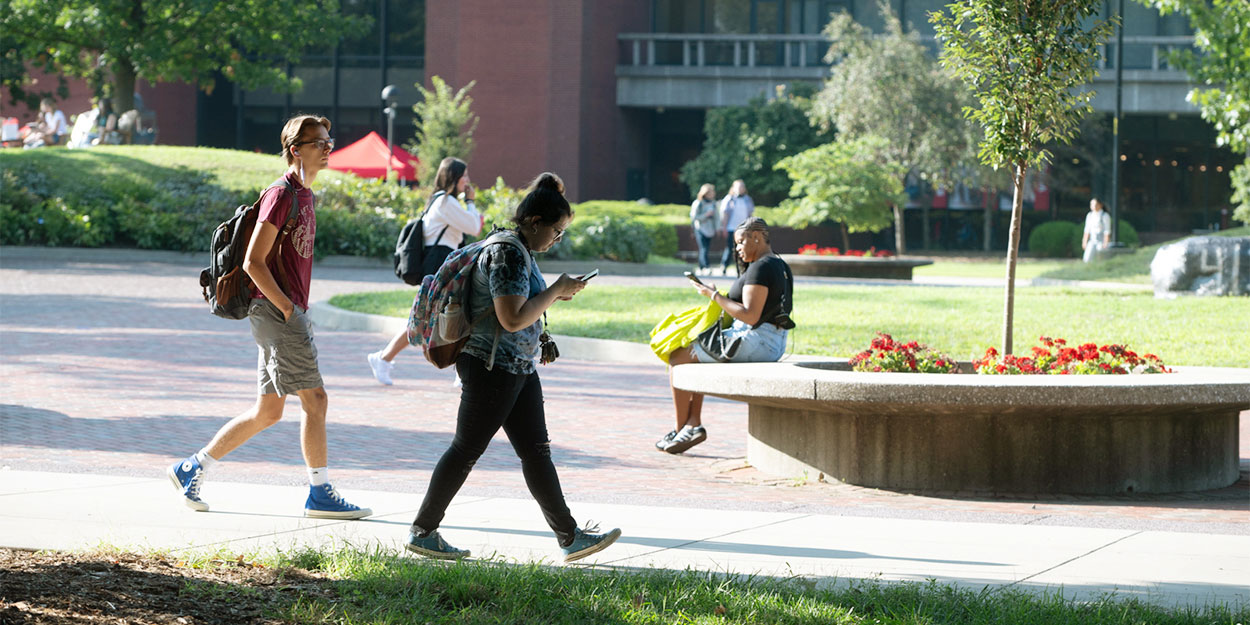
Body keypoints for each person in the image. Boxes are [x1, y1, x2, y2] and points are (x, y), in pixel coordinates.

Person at [404, 172, 621, 563]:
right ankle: (423, 530)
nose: (557, 239)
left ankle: (570, 536)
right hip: (492, 366)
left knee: (536, 452)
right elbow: (512, 318)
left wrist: (553, 295)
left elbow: (521, 309)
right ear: (534, 222)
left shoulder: (520, 250)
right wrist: (554, 290)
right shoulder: (506, 252)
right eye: (555, 230)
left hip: (517, 367)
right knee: (466, 449)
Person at [167, 114, 370, 519]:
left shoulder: (305, 194)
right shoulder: (281, 194)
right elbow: (253, 262)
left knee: (269, 411)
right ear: (296, 149)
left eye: (330, 141)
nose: (328, 147)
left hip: (281, 310)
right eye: (320, 143)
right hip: (277, 311)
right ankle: (320, 492)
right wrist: (287, 308)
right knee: (316, 399)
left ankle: (192, 467)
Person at [658, 217, 793, 454]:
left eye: (741, 242)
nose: (738, 248)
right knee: (694, 351)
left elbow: (750, 316)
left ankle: (683, 428)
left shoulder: (761, 267)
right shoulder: (778, 263)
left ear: (757, 237)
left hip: (756, 340)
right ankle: (690, 425)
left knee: (678, 356)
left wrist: (713, 296)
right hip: (771, 340)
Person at [368, 157, 483, 385]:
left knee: (438, 315)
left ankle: (384, 358)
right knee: (448, 314)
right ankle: (384, 357)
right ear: (454, 177)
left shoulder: (441, 201)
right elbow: (475, 227)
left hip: (441, 263)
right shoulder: (446, 203)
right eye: (464, 176)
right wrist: (470, 202)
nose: (467, 181)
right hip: (441, 263)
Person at [717, 180, 755, 275]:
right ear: (733, 188)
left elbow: (750, 214)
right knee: (731, 248)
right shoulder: (729, 199)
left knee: (744, 249)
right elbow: (725, 214)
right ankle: (724, 266)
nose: (740, 189)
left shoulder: (747, 199)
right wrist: (724, 227)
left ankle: (742, 268)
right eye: (738, 187)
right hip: (731, 228)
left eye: (742, 187)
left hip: (744, 229)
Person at [690, 183, 718, 276]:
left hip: (709, 229)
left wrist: (717, 228)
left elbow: (717, 217)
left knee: (706, 248)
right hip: (700, 228)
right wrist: (706, 215)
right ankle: (706, 266)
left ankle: (701, 266)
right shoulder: (698, 203)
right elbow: (694, 217)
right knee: (703, 248)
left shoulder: (713, 203)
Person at [1082, 197, 1112, 263]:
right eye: (1092, 204)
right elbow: (1087, 230)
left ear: (1100, 205)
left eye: (1096, 204)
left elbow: (1107, 231)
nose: (1094, 206)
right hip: (1092, 240)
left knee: (1101, 259)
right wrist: (1084, 241)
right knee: (1087, 259)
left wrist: (1105, 243)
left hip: (1101, 241)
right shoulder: (1089, 215)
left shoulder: (1105, 215)